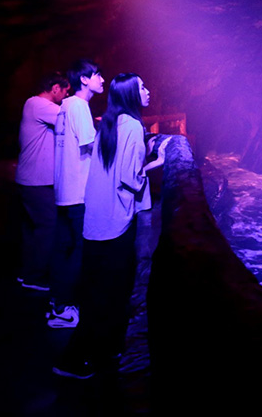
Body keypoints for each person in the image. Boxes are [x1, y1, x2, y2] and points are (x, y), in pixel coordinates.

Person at [53, 73, 168, 379]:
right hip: (116, 222)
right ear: (131, 94)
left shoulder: (110, 123)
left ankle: (103, 352)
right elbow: (130, 178)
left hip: (96, 221)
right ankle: (72, 361)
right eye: (142, 87)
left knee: (98, 291)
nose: (147, 91)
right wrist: (156, 162)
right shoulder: (132, 126)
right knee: (110, 294)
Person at [48, 59, 104, 328]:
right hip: (79, 191)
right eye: (98, 75)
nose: (102, 80)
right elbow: (91, 145)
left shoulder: (65, 105)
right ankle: (65, 308)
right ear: (84, 79)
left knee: (63, 249)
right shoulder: (80, 106)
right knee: (80, 250)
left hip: (63, 191)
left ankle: (57, 304)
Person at [14, 71, 70, 291]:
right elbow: (71, 119)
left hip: (30, 180)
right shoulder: (39, 105)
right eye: (65, 91)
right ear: (55, 88)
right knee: (48, 226)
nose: (66, 96)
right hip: (37, 182)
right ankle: (35, 278)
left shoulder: (33, 105)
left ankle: (26, 273)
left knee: (33, 229)